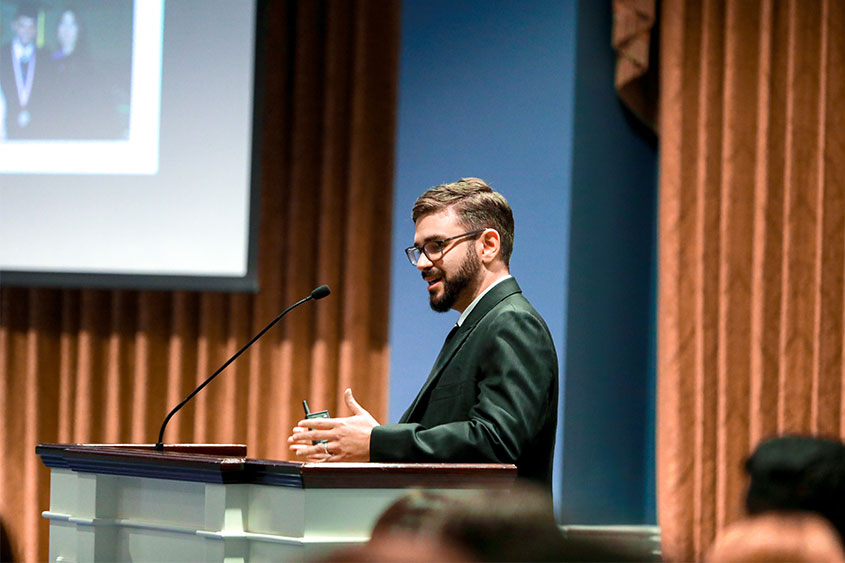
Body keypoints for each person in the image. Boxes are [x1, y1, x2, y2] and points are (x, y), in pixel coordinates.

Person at [288, 178, 559, 487]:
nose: (422, 263)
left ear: (488, 245)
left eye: (437, 245)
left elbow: (496, 441)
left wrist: (379, 442)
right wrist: (370, 446)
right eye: (419, 250)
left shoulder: (513, 323)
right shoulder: (479, 325)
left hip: (491, 534)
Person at [0, 2, 48, 139]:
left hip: (38, 133)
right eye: (22, 25)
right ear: (14, 26)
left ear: (36, 29)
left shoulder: (45, 58)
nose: (26, 30)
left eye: (31, 25)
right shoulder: (1, 55)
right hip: (5, 132)